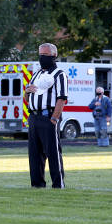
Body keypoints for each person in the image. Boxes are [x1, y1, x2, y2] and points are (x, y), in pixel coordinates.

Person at [24, 43, 68, 188]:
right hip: (34, 116)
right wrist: (27, 91)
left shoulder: (59, 74)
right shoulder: (36, 74)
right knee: (34, 153)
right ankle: (37, 184)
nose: (42, 58)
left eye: (45, 55)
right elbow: (27, 97)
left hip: (48, 116)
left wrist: (54, 119)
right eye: (40, 55)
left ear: (54, 56)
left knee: (53, 152)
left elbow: (62, 98)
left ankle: (58, 183)